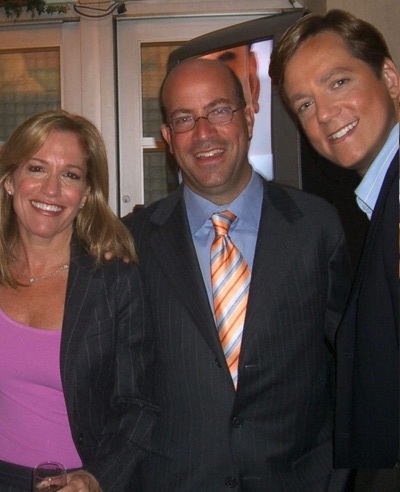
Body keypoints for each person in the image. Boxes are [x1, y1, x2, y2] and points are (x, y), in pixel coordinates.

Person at [123, 57, 351, 491]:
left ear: (248, 117)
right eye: (184, 119)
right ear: (168, 138)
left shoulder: (317, 227)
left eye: (219, 110)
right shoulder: (130, 243)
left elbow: (349, 369)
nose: (203, 133)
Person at [268, 7, 399, 488]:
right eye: (303, 104)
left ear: (388, 76)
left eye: (338, 82)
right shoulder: (376, 203)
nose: (324, 114)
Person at [0, 110, 158, 491]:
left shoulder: (114, 278)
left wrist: (96, 478)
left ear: (86, 192)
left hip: (75, 483)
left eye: (69, 174)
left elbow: (140, 405)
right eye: (37, 168)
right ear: (9, 180)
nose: (51, 190)